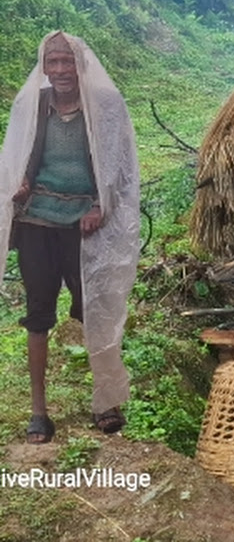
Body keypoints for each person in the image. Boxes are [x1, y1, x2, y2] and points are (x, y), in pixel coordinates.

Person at [0, 31, 140, 443]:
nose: (60, 70)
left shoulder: (106, 107)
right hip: (38, 225)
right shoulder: (33, 105)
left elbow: (121, 168)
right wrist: (21, 184)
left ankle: (105, 401)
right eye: (52, 62)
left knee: (93, 310)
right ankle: (39, 412)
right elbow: (16, 158)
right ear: (43, 67)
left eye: (67, 61)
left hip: (85, 226)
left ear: (82, 65)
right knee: (39, 315)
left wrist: (100, 206)